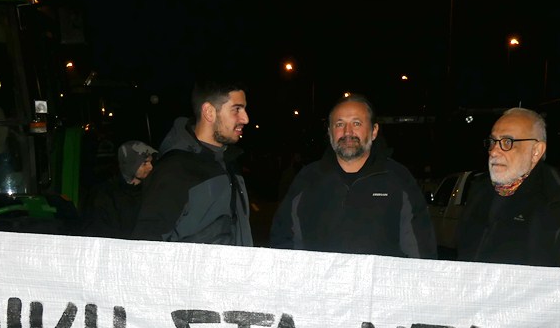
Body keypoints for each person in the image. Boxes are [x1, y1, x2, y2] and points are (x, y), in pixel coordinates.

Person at [268, 94, 436, 258]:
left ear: (374, 131)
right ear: (330, 132)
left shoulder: (398, 179)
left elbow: (420, 251)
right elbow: (283, 243)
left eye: (356, 123)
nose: (347, 132)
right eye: (339, 124)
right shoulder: (308, 179)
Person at [456, 107, 560, 267]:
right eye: (493, 142)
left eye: (507, 142)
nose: (494, 152)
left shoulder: (559, 203)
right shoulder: (479, 192)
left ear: (536, 151)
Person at [132, 79, 252, 245]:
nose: (245, 119)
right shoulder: (174, 170)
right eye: (236, 109)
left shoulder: (229, 163)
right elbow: (146, 246)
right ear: (209, 112)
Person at [81, 140, 157, 239]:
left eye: (150, 162)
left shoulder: (152, 191)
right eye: (145, 163)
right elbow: (96, 230)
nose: (150, 167)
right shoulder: (103, 194)